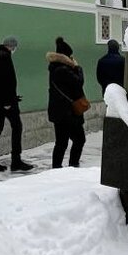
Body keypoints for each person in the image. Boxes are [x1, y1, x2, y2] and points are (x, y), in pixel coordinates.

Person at [0, 36, 34, 174]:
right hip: (5, 103)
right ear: (11, 46)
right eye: (14, 47)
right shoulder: (3, 57)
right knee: (17, 127)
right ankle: (16, 161)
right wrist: (8, 101)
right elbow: (4, 81)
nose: (15, 49)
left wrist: (12, 97)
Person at [47, 36, 86, 168]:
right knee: (79, 139)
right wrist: (78, 68)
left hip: (61, 112)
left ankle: (57, 167)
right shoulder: (63, 70)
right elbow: (78, 82)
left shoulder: (55, 68)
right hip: (68, 113)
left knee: (61, 142)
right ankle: (72, 165)